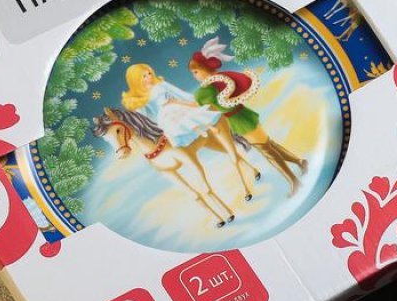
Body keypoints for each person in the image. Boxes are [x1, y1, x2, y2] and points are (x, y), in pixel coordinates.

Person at [188, 37, 307, 195]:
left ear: (205, 69)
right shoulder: (217, 82)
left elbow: (202, 105)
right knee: (268, 145)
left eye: (196, 72)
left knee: (267, 150)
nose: (195, 76)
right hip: (240, 118)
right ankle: (300, 162)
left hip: (241, 119)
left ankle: (294, 181)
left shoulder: (207, 89)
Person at [122, 63, 219, 148]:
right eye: (144, 76)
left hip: (173, 104)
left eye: (149, 73)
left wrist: (187, 101)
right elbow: (143, 115)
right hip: (163, 113)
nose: (149, 77)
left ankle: (209, 127)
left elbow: (175, 92)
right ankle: (197, 130)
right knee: (174, 122)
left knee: (190, 114)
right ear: (136, 80)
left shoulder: (160, 84)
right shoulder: (141, 96)